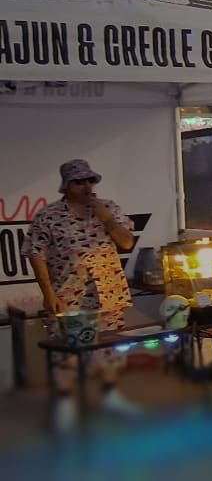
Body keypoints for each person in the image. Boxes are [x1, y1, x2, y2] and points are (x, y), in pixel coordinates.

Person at [23, 159, 140, 433]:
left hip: (108, 292)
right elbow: (36, 254)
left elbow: (126, 242)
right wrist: (47, 294)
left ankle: (110, 395)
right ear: (66, 185)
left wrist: (105, 217)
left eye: (90, 180)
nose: (86, 186)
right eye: (79, 181)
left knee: (110, 348)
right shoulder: (48, 215)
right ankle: (65, 402)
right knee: (67, 351)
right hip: (68, 294)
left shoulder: (109, 208)